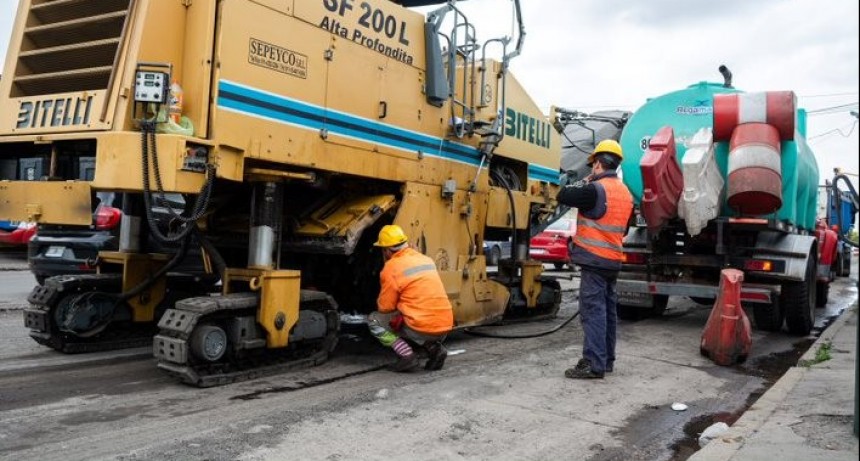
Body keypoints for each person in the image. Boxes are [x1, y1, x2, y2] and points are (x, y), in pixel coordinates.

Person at [556, 139, 633, 379]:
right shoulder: (626, 194)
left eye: (593, 165)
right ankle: (605, 359)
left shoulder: (594, 190)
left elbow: (563, 194)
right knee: (608, 312)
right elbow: (625, 229)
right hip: (613, 260)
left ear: (598, 163)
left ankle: (593, 363)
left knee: (592, 312)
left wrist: (584, 180)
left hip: (594, 261)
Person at [367, 224, 454, 372]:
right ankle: (435, 349)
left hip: (422, 326)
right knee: (417, 314)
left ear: (387, 250)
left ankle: (407, 356)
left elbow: (385, 308)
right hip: (445, 325)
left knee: (374, 321)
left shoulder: (391, 267)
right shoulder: (425, 259)